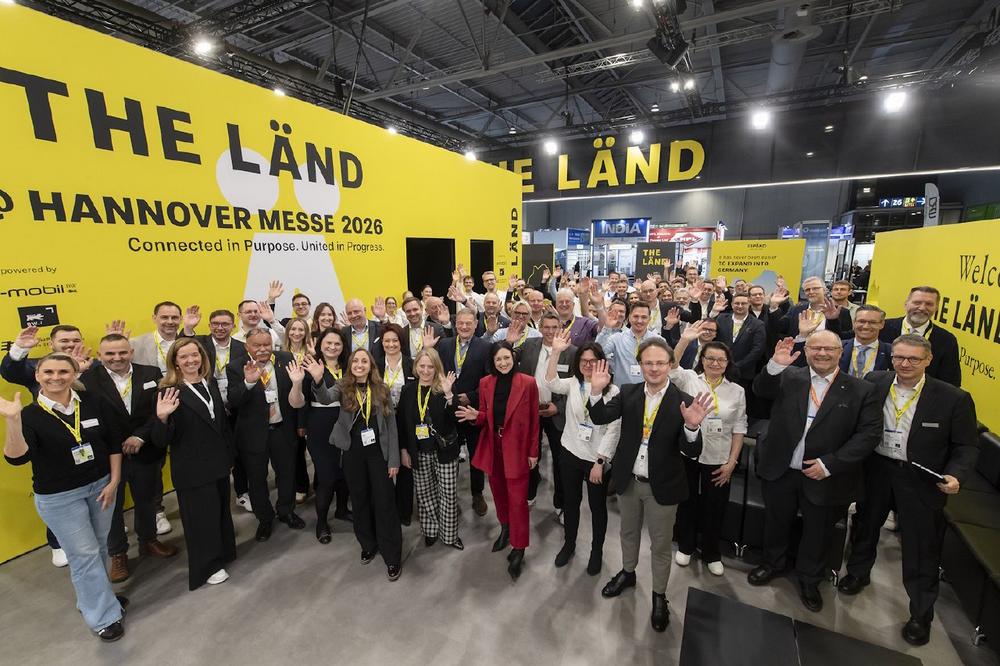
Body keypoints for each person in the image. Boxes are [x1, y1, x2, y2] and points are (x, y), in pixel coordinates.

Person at [837, 334, 979, 646]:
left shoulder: (953, 398)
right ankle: (858, 573)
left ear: (928, 360)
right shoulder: (875, 381)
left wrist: (956, 475)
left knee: (921, 546)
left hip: (920, 479)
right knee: (865, 525)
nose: (905, 364)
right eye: (899, 357)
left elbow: (966, 446)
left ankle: (921, 613)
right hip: (877, 469)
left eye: (913, 359)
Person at [747, 332, 882, 613]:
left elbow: (868, 435)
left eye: (829, 348)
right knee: (776, 521)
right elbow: (760, 390)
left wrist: (831, 464)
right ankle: (772, 563)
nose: (822, 353)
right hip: (782, 468)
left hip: (825, 474)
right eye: (815, 347)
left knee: (818, 532)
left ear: (840, 352)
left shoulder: (861, 390)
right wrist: (775, 364)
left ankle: (810, 579)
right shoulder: (789, 376)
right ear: (806, 350)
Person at [587, 339, 712, 632]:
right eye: (648, 363)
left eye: (660, 363)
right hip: (629, 481)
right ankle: (628, 573)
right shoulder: (628, 393)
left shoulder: (683, 400)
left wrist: (692, 427)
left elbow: (692, 451)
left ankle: (659, 595)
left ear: (670, 365)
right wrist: (595, 391)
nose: (654, 368)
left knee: (660, 545)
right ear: (640, 365)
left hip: (663, 487)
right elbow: (600, 416)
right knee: (628, 533)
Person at [2, 354, 127, 641]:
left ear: (73, 375)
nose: (55, 377)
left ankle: (98, 599)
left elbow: (113, 442)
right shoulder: (30, 415)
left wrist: (114, 481)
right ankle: (103, 617)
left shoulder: (92, 402)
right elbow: (17, 458)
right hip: (60, 497)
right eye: (48, 372)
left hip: (101, 487)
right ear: (37, 376)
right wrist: (13, 421)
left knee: (99, 547)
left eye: (62, 371)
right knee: (84, 556)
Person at [81, 334, 176, 584]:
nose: (117, 358)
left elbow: (158, 410)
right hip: (109, 456)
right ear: (100, 356)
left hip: (145, 450)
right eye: (110, 354)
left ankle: (148, 541)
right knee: (111, 507)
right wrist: (119, 443)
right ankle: (118, 554)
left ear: (131, 352)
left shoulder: (150, 373)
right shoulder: (87, 381)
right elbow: (90, 420)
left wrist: (140, 436)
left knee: (147, 499)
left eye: (122, 352)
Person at [1, 323, 91, 566]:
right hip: (51, 443)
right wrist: (19, 348)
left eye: (75, 340)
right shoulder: (39, 368)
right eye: (64, 341)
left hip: (89, 439)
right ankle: (57, 543)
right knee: (57, 496)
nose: (70, 345)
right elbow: (11, 371)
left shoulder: (91, 364)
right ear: (52, 344)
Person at [151, 338, 237, 590]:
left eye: (195, 355)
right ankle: (207, 566)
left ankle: (223, 554)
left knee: (220, 513)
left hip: (217, 463)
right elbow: (160, 440)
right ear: (175, 362)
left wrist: (229, 458)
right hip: (192, 468)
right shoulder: (168, 391)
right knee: (200, 520)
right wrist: (162, 418)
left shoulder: (208, 384)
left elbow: (221, 425)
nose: (191, 360)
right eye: (184, 357)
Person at [314, 348, 403, 581]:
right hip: (353, 454)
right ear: (350, 365)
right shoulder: (343, 387)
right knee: (360, 499)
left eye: (364, 361)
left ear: (371, 365)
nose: (360, 365)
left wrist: (393, 459)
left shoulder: (381, 389)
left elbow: (392, 427)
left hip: (378, 454)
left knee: (384, 502)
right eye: (356, 361)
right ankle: (368, 544)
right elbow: (324, 398)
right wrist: (318, 380)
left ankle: (392, 555)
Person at [456, 342, 540, 581]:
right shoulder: (486, 383)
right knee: (499, 493)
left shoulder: (528, 383)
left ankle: (519, 547)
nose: (503, 363)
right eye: (498, 360)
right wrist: (476, 416)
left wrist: (533, 452)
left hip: (518, 449)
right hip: (494, 446)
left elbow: (534, 420)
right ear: (492, 363)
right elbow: (486, 417)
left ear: (513, 358)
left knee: (518, 501)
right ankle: (505, 529)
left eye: (506, 358)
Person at [670, 323, 748, 576]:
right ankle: (686, 545)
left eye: (720, 359)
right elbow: (671, 366)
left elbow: (739, 428)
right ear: (702, 360)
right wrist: (684, 340)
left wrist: (732, 462)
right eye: (710, 358)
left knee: (715, 507)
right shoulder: (690, 379)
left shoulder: (737, 391)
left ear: (727, 363)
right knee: (687, 501)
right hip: (689, 452)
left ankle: (712, 552)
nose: (715, 363)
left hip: (719, 456)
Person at [545, 332, 621, 575]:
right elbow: (551, 382)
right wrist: (555, 352)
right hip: (570, 452)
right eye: (583, 361)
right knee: (571, 502)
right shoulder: (573, 384)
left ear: (602, 363)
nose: (588, 365)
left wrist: (600, 461)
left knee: (597, 508)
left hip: (596, 460)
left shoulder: (612, 391)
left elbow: (613, 431)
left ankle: (596, 551)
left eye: (593, 361)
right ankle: (569, 544)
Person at [226, 329, 307, 542]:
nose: (263, 349)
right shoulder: (236, 367)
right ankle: (265, 518)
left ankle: (286, 511)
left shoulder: (286, 359)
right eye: (257, 345)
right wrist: (248, 383)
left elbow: (298, 391)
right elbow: (233, 400)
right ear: (247, 347)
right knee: (257, 479)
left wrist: (300, 423)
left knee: (287, 474)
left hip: (283, 429)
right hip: (253, 434)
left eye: (266, 344)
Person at [397, 349, 464, 550]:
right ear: (416, 367)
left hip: (444, 450)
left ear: (437, 368)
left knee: (448, 494)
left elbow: (455, 418)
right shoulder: (408, 390)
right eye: (422, 366)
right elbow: (402, 423)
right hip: (418, 451)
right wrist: (404, 450)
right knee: (425, 493)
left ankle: (450, 535)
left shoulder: (444, 387)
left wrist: (449, 394)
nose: (426, 371)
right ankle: (431, 530)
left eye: (430, 367)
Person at [518, 313, 576, 510]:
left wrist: (558, 407)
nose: (550, 331)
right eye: (547, 327)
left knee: (560, 461)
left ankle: (560, 504)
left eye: (554, 327)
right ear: (540, 328)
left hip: (557, 413)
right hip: (531, 410)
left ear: (561, 329)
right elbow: (508, 359)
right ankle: (530, 495)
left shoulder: (572, 352)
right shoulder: (529, 345)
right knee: (530, 456)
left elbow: (577, 386)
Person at [437, 308, 492, 515]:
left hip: (472, 409)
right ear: (456, 323)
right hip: (449, 409)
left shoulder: (485, 347)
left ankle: (477, 494)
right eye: (461, 323)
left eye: (469, 323)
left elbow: (489, 379)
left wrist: (472, 396)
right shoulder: (444, 345)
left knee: (475, 454)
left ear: (476, 324)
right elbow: (438, 373)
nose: (464, 326)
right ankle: (450, 496)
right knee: (450, 455)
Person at [300, 328, 352, 543]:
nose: (332, 347)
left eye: (337, 343)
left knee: (345, 472)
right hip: (320, 426)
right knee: (326, 477)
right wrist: (301, 424)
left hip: (347, 424)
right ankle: (321, 522)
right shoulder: (310, 366)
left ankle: (342, 509)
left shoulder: (349, 366)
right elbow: (302, 398)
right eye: (328, 343)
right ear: (320, 345)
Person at [879, 286, 961, 387]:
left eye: (929, 304)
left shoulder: (946, 340)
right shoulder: (882, 329)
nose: (922, 308)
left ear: (936, 308)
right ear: (906, 304)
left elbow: (951, 382)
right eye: (917, 302)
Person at [376, 324, 416, 526]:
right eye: (387, 341)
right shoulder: (374, 365)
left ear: (401, 342)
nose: (391, 344)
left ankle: (404, 510)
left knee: (406, 465)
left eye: (395, 340)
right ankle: (386, 508)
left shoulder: (411, 364)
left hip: (406, 420)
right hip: (382, 420)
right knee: (384, 464)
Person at [282, 317, 314, 503]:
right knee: (291, 450)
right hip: (286, 409)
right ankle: (296, 485)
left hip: (306, 408)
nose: (296, 333)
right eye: (293, 329)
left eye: (301, 329)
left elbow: (309, 390)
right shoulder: (280, 354)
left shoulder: (310, 355)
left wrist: (302, 421)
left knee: (302, 449)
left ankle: (303, 485)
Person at [767, 276, 851, 345]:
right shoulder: (796, 310)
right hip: (799, 356)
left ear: (824, 290)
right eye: (807, 290)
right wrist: (774, 306)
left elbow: (844, 340)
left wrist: (833, 320)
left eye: (815, 288)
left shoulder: (841, 312)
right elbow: (779, 328)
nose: (811, 292)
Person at [595, 301, 663, 385]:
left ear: (649, 319)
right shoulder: (616, 339)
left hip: (649, 389)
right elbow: (597, 353)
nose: (639, 321)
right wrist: (607, 328)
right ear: (629, 317)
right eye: (636, 316)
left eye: (644, 317)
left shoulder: (658, 341)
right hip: (622, 390)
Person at [713, 293, 766, 388]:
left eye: (743, 303)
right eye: (737, 303)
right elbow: (712, 338)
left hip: (742, 373)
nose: (740, 306)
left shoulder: (758, 324)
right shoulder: (721, 318)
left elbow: (757, 350)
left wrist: (736, 366)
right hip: (717, 368)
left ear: (749, 304)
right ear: (732, 304)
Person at [130, 301, 184, 373]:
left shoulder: (189, 341)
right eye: (164, 317)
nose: (170, 322)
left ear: (181, 319)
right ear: (154, 318)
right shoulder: (135, 344)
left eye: (174, 318)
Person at [839, 305, 892, 377]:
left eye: (872, 322)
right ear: (854, 322)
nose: (866, 326)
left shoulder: (891, 352)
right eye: (862, 321)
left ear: (881, 324)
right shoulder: (839, 347)